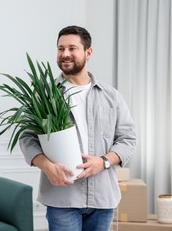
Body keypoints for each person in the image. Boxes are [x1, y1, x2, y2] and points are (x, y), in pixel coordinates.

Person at [19, 25, 137, 231]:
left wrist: (104, 162)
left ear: (88, 52)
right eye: (60, 48)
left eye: (72, 48)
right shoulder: (44, 96)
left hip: (103, 198)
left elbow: (128, 139)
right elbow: (27, 138)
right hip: (62, 198)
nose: (65, 54)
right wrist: (47, 166)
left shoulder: (111, 96)